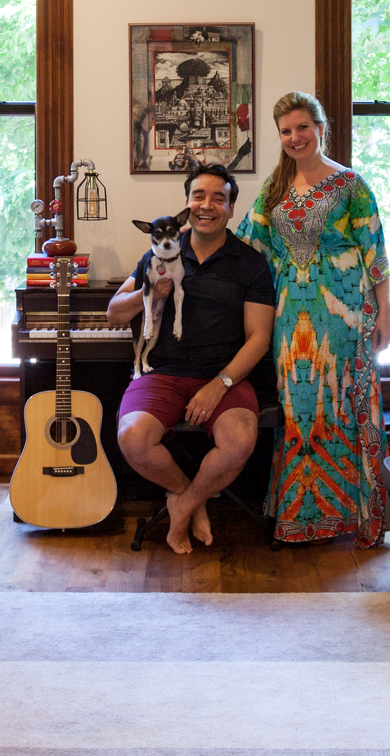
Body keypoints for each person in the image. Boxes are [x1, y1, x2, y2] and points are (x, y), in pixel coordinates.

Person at [238, 92, 390, 545]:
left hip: (346, 311)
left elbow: (374, 249)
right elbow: (249, 243)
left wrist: (384, 312)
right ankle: (303, 517)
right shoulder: (274, 187)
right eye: (285, 131)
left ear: (320, 128)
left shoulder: (351, 185)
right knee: (300, 412)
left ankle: (356, 516)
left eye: (301, 127)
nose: (294, 138)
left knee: (345, 404)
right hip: (291, 314)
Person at [107, 163, 275, 555]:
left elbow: (259, 339)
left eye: (219, 198)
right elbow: (115, 312)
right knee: (132, 437)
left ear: (232, 209)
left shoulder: (250, 264)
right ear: (186, 203)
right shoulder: (161, 251)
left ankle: (181, 506)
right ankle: (190, 498)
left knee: (239, 440)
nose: (207, 205)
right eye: (199, 196)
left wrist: (219, 386)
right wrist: (151, 293)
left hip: (223, 376)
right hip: (162, 373)